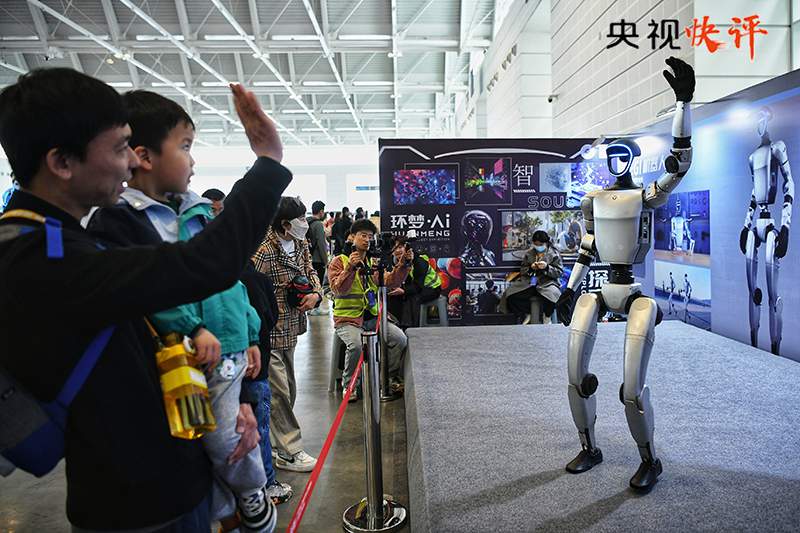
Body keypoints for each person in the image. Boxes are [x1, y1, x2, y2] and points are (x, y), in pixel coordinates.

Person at [0, 68, 289, 531]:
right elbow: (203, 266)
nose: (128, 165)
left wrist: (225, 403)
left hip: (165, 473)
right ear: (62, 162)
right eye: (119, 149)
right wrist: (269, 163)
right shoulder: (45, 258)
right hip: (140, 502)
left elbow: (152, 347)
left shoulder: (56, 240)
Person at [86, 90, 276, 530]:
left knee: (231, 435)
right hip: (179, 371)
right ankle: (241, 501)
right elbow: (155, 294)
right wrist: (192, 327)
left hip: (227, 352)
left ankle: (246, 497)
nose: (192, 160)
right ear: (143, 156)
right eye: (185, 146)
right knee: (215, 441)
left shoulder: (200, 215)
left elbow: (232, 282)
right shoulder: (117, 222)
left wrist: (250, 335)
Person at [252, 197, 323, 473]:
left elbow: (310, 271)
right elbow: (251, 286)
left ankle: (274, 441)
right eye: (300, 218)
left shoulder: (300, 243)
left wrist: (315, 294)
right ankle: (290, 450)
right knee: (279, 391)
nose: (305, 223)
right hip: (269, 328)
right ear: (285, 224)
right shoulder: (264, 249)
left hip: (292, 325)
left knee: (289, 389)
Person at [328, 219, 412, 401]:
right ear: (352, 237)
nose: (367, 239)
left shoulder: (373, 262)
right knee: (357, 346)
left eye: (370, 236)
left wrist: (404, 264)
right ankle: (350, 386)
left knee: (400, 339)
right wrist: (350, 268)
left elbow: (389, 282)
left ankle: (385, 380)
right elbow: (338, 289)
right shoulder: (338, 261)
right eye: (363, 235)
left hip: (374, 318)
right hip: (348, 319)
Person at [240, 262, 294, 506]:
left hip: (220, 371)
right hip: (256, 366)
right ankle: (267, 485)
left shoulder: (210, 281)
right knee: (259, 427)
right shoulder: (257, 280)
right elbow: (269, 318)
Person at [500, 230, 564, 324]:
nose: (538, 247)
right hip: (529, 283)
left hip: (547, 283)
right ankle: (527, 313)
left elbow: (559, 272)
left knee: (552, 297)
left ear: (546, 243)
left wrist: (547, 267)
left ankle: (547, 315)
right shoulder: (529, 253)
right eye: (536, 244)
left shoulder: (554, 254)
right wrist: (530, 268)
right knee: (510, 295)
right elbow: (523, 270)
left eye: (541, 244)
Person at [387, 240, 442, 328]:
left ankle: (411, 327)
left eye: (400, 247)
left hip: (432, 288)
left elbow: (418, 287)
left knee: (412, 297)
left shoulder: (419, 262)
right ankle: (394, 324)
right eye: (395, 248)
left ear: (407, 249)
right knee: (393, 296)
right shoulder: (394, 261)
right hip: (415, 286)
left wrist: (404, 291)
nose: (397, 251)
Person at [306, 200, 329, 315]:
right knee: (318, 284)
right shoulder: (318, 224)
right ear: (321, 211)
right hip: (318, 259)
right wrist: (326, 261)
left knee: (311, 284)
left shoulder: (307, 222)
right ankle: (316, 308)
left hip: (309, 258)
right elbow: (321, 244)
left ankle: (311, 308)